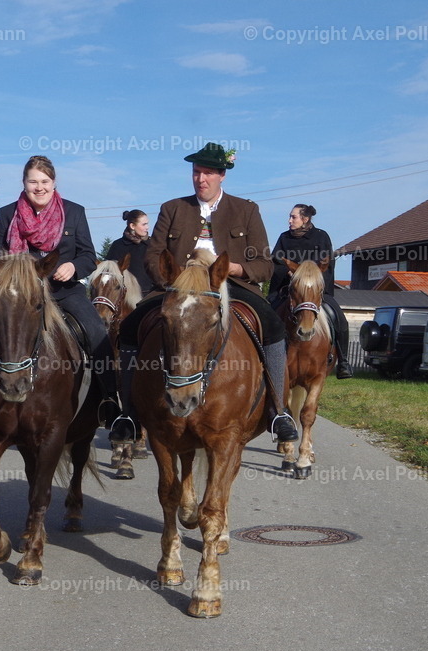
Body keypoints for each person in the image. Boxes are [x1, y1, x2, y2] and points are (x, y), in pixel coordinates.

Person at [108, 143, 299, 444]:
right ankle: (129, 413)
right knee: (131, 326)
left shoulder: (246, 210)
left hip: (231, 287)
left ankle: (278, 410)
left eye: (208, 173)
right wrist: (173, 281)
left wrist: (234, 268)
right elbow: (153, 255)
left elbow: (264, 265)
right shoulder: (172, 208)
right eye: (197, 172)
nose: (201, 179)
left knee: (273, 326)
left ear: (222, 175)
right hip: (178, 287)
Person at [0, 155, 121, 435]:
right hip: (18, 296)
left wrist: (73, 267)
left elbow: (88, 255)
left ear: (54, 183)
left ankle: (110, 404)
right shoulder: (7, 213)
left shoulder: (74, 212)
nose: (39, 187)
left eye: (45, 181)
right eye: (33, 181)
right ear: (24, 183)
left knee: (96, 330)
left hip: (63, 292)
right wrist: (15, 271)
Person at [268, 204, 353, 379]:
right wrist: (290, 273)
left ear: (305, 219)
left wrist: (311, 279)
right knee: (266, 314)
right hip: (289, 289)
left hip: (315, 291)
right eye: (290, 217)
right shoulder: (284, 237)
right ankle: (262, 359)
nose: (289, 220)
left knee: (340, 319)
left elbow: (327, 264)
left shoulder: (321, 236)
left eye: (293, 217)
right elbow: (276, 261)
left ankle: (344, 362)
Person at [105, 209, 153, 295]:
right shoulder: (117, 246)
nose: (147, 227)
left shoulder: (153, 245)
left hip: (150, 296)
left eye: (147, 224)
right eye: (144, 224)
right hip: (124, 297)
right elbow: (108, 274)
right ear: (132, 226)